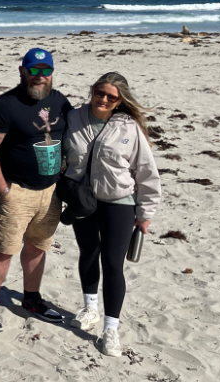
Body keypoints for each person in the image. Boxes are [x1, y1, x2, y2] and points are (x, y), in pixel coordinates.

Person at [61, 72, 162, 357]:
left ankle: (110, 329)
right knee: (88, 253)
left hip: (119, 202)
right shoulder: (73, 117)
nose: (103, 99)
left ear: (120, 101)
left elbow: (146, 172)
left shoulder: (129, 128)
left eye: (111, 97)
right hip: (83, 201)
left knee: (113, 264)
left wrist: (145, 213)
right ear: (92, 91)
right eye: (99, 92)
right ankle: (90, 309)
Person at [0, 48, 74, 333]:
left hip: (51, 192)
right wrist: (3, 189)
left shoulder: (60, 101)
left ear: (52, 73)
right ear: (22, 71)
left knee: (37, 247)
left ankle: (31, 299)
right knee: (3, 251)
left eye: (45, 71)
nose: (39, 76)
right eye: (33, 70)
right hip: (16, 192)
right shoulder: (4, 105)